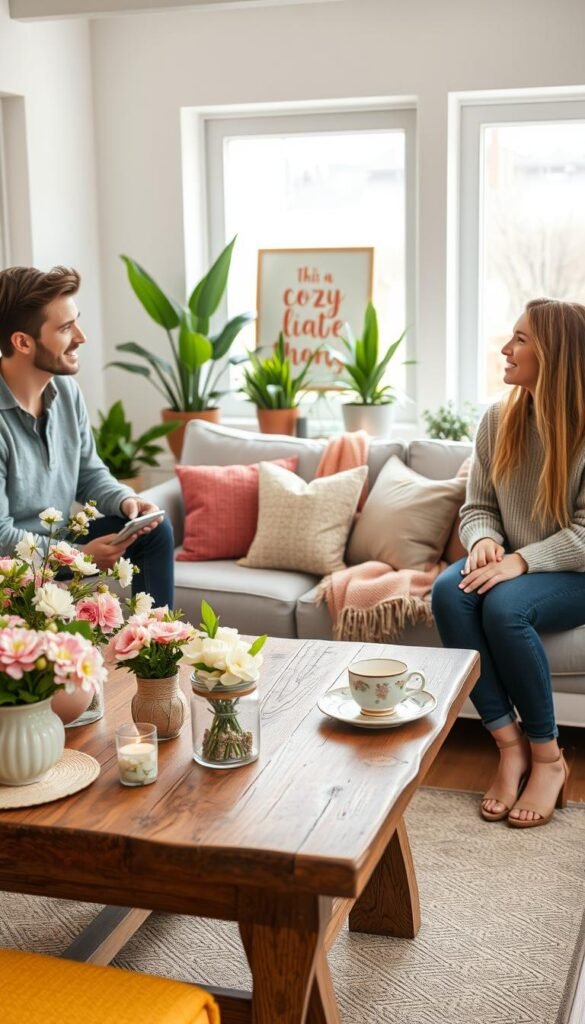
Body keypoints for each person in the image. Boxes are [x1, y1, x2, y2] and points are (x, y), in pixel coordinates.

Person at [432, 297, 585, 828]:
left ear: (557, 353)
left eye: (521, 339)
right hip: (513, 563)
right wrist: (482, 541)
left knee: (503, 608)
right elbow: (478, 507)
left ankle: (548, 757)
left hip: (574, 571)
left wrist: (522, 560)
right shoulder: (498, 418)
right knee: (449, 591)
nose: (506, 347)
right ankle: (508, 744)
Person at [0, 265, 174, 607]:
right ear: (22, 341)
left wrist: (127, 501)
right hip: (11, 562)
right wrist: (79, 556)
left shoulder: (66, 392)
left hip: (60, 540)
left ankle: (154, 646)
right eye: (66, 327)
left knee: (153, 532)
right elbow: (2, 537)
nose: (81, 336)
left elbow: (89, 474)